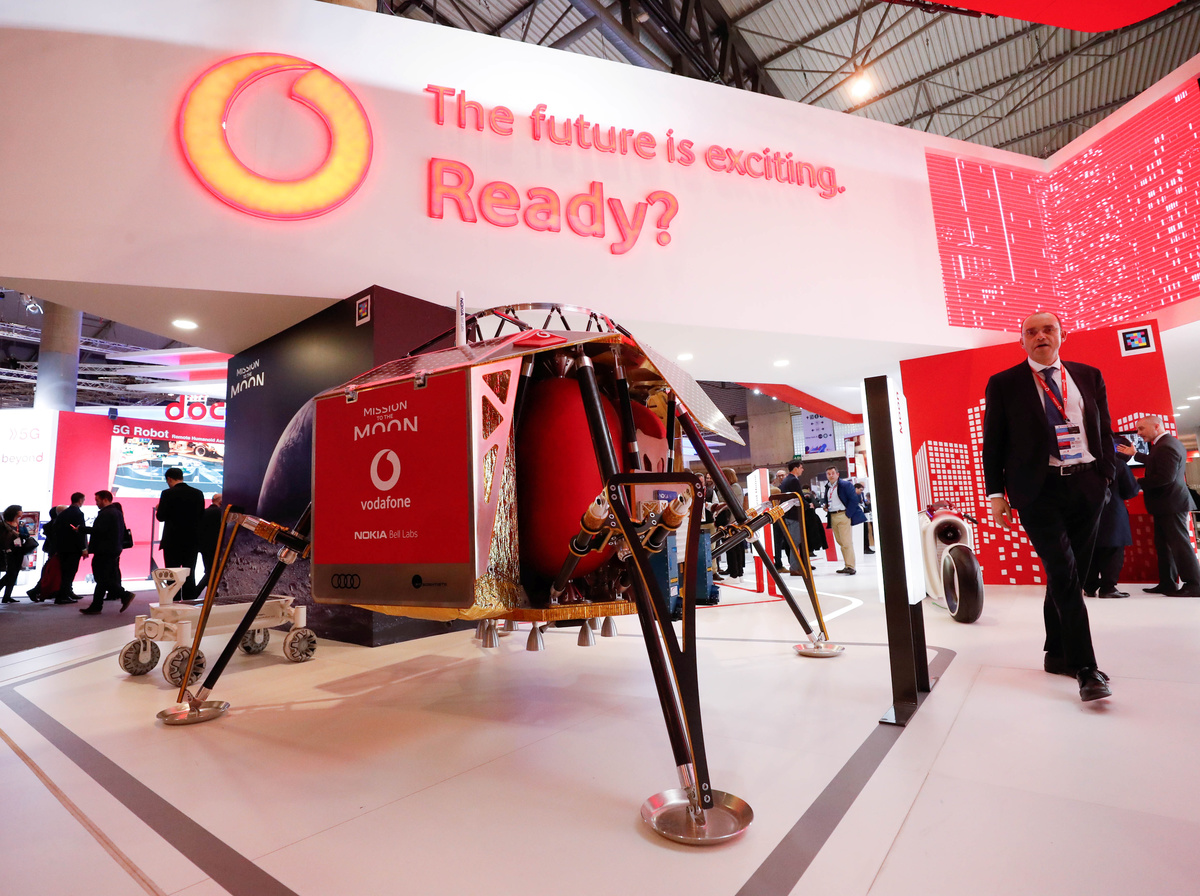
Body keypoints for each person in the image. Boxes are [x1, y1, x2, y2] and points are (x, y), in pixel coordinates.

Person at [982, 310, 1113, 702]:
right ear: (1021, 341)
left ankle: (1057, 653)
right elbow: (993, 443)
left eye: (1048, 329)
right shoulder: (1004, 383)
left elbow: (1103, 428)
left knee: (1071, 574)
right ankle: (1086, 669)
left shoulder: (1088, 375)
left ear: (1062, 335)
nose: (1040, 336)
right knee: (1064, 573)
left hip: (1088, 484)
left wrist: (1105, 476)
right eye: (1031, 332)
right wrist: (996, 495)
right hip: (1038, 492)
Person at [1119, 415, 1200, 596]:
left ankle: (1194, 584)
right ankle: (1167, 583)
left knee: (1179, 545)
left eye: (1141, 429)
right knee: (1164, 545)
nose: (1139, 433)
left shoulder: (1166, 446)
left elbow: (1165, 478)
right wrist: (1135, 454)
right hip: (1167, 504)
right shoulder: (1165, 444)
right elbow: (1157, 461)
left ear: (1156, 426)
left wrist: (1138, 481)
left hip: (1171, 504)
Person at [1084, 443, 1139, 599]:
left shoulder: (1081, 464)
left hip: (1086, 513)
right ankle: (1108, 588)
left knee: (1089, 550)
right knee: (1113, 551)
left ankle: (1089, 587)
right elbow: (1130, 491)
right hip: (1113, 513)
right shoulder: (1118, 464)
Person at [156, 467, 205, 601]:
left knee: (172, 573)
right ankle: (190, 601)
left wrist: (159, 509)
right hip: (192, 540)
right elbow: (201, 516)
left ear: (169, 479)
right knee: (190, 572)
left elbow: (161, 517)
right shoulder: (198, 493)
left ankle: (174, 601)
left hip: (172, 541)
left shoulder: (167, 493)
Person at [79, 490, 132, 614]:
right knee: (104, 578)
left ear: (105, 499)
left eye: (97, 500)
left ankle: (123, 594)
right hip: (112, 549)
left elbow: (99, 531)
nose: (96, 503)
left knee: (101, 578)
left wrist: (81, 529)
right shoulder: (116, 512)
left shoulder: (107, 513)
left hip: (104, 550)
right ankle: (97, 605)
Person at [823, 467, 866, 575]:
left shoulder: (845, 485)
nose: (831, 475)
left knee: (846, 542)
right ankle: (847, 565)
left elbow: (853, 500)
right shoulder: (828, 487)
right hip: (832, 515)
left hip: (843, 515)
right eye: (828, 474)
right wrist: (826, 506)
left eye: (833, 473)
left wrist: (848, 514)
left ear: (837, 474)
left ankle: (851, 566)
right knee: (840, 542)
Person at [53, 492, 87, 604]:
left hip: (63, 547)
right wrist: (83, 548)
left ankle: (66, 593)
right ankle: (63, 595)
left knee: (65, 571)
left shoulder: (63, 513)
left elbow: (56, 530)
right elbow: (80, 532)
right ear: (80, 500)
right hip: (73, 548)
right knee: (70, 572)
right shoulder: (78, 514)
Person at [778, 461, 807, 575]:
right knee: (795, 542)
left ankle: (796, 566)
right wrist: (807, 505)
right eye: (801, 467)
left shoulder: (786, 480)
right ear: (795, 468)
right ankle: (794, 568)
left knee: (794, 541)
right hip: (794, 515)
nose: (802, 470)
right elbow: (798, 497)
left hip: (788, 514)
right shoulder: (793, 480)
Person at [1, 505, 31, 603]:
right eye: (20, 510)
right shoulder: (3, 524)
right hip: (7, 550)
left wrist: (20, 534)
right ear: (15, 512)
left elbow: (27, 535)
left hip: (19, 550)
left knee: (15, 573)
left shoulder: (21, 524)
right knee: (11, 573)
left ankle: (7, 596)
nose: (22, 512)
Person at [719, 470, 745, 579]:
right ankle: (735, 571)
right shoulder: (735, 487)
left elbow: (724, 501)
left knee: (732, 548)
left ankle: (735, 573)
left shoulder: (733, 488)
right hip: (733, 521)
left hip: (731, 521)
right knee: (734, 548)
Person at [196, 492, 224, 595]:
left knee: (209, 570)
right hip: (216, 547)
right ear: (221, 501)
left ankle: (212, 594)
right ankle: (195, 592)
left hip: (204, 547)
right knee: (212, 572)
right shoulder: (220, 514)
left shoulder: (204, 512)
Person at [856, 482, 876, 555]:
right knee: (863, 532)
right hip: (858, 516)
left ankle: (867, 547)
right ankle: (865, 548)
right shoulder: (854, 496)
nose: (862, 491)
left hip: (863, 515)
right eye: (861, 489)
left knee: (866, 531)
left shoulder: (860, 495)